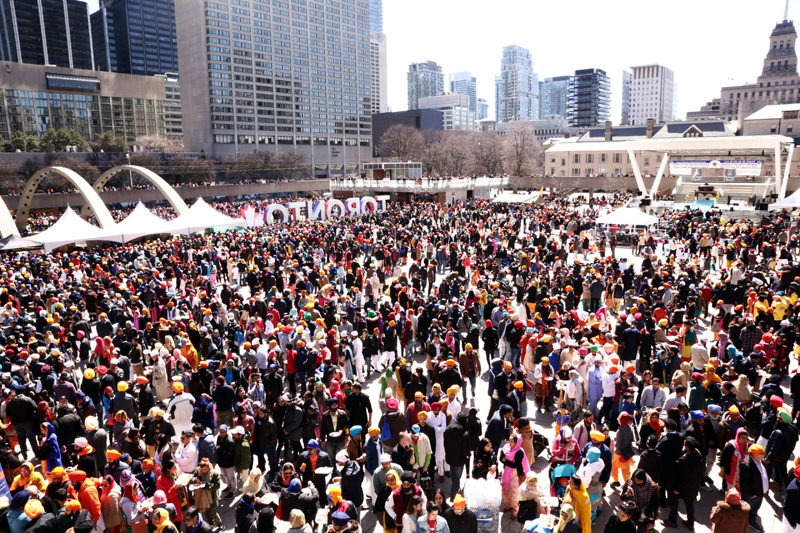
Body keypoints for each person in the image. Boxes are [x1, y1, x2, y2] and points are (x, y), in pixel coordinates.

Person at [664, 436, 703, 529]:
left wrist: (677, 489)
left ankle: (672, 521)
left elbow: (684, 478)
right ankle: (690, 522)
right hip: (692, 487)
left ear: (688, 447)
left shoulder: (684, 461)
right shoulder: (698, 455)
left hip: (681, 487)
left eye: (685, 444)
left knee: (673, 501)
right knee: (689, 503)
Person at [500, 433, 529, 519]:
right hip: (506, 473)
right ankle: (509, 505)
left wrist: (506, 461)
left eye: (512, 441)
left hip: (515, 475)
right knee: (505, 491)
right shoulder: (506, 448)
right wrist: (508, 462)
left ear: (517, 443)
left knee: (514, 494)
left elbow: (515, 465)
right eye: (509, 440)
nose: (509, 443)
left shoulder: (519, 451)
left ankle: (516, 511)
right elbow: (500, 458)